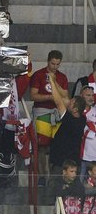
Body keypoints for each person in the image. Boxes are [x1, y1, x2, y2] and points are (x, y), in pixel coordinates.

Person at [31, 49, 69, 180]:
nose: (55, 66)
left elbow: (65, 95)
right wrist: (50, 97)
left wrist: (55, 82)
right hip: (42, 113)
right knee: (42, 147)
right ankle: (42, 177)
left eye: (57, 64)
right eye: (53, 63)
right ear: (48, 61)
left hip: (57, 114)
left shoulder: (62, 77)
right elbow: (33, 95)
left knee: (57, 146)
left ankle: (54, 177)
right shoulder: (38, 75)